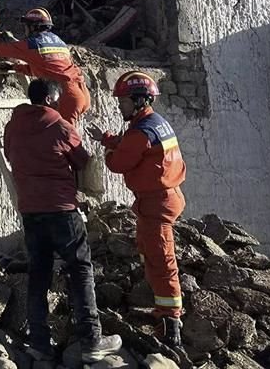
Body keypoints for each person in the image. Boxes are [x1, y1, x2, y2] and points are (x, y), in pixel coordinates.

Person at [4, 78, 122, 363]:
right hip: (62, 211)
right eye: (56, 100)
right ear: (48, 100)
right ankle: (92, 340)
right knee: (80, 269)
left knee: (39, 274)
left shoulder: (12, 126)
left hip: (31, 212)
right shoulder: (60, 126)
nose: (59, 104)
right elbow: (82, 161)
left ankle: (39, 343)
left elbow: (9, 155)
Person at [86, 71, 187, 348]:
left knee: (162, 260)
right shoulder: (152, 123)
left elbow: (119, 162)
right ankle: (163, 314)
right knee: (150, 251)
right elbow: (132, 145)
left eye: (124, 101)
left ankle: (171, 324)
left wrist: (107, 152)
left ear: (140, 100)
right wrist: (107, 139)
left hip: (157, 202)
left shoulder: (142, 130)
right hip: (160, 198)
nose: (120, 105)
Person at [0, 8, 91, 122]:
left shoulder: (32, 44)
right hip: (82, 93)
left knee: (63, 140)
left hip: (66, 96)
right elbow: (46, 69)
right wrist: (15, 67)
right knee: (63, 137)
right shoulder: (59, 42)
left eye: (26, 26)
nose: (25, 30)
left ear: (33, 27)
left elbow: (1, 49)